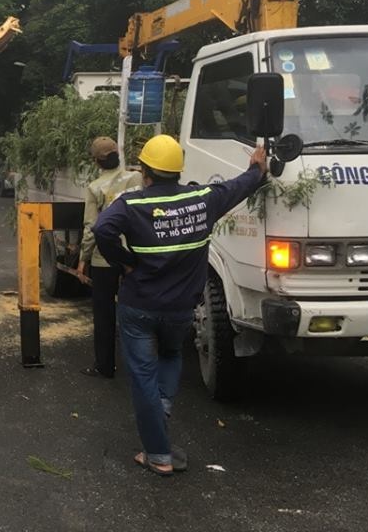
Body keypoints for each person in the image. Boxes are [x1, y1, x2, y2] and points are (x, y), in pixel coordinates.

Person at [94, 134, 267, 477]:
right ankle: (162, 408)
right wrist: (257, 167)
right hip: (179, 309)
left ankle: (158, 454)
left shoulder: (132, 204)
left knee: (142, 375)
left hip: (138, 307)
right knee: (172, 355)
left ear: (145, 171)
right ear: (177, 171)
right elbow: (240, 186)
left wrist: (124, 262)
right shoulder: (202, 199)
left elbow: (102, 229)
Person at [76, 136, 140, 379]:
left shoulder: (95, 188)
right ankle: (138, 363)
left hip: (105, 259)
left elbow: (92, 227)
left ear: (97, 161)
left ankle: (105, 366)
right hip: (134, 256)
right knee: (134, 309)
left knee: (104, 313)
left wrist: (83, 258)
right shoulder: (135, 179)